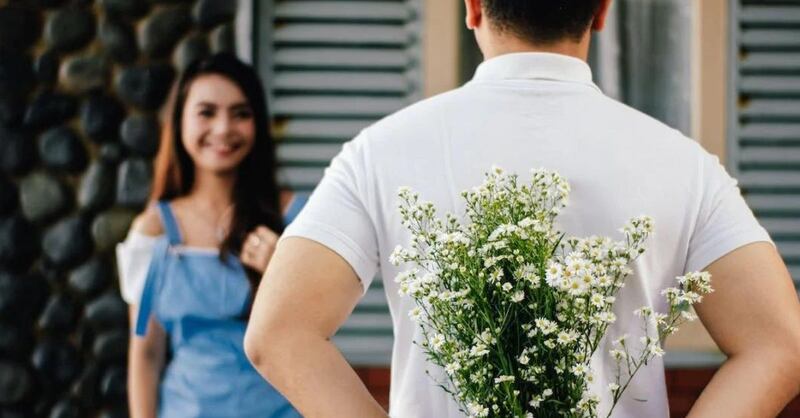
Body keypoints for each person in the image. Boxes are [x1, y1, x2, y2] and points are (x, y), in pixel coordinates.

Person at [243, 1, 800, 417]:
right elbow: (782, 343)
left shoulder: (380, 152)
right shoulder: (684, 164)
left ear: (472, 7)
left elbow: (277, 333)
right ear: (601, 12)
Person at [116, 53, 304, 418]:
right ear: (180, 121)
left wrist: (282, 274)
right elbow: (146, 351)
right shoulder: (153, 232)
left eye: (240, 113)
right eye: (206, 112)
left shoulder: (295, 217)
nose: (223, 129)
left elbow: (320, 333)